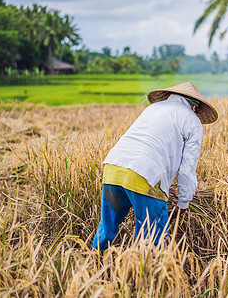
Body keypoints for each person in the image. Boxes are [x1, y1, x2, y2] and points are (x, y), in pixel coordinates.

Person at [92, 82, 218, 250]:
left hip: (113, 168)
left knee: (106, 229)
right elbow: (187, 169)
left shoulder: (152, 109)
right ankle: (149, 274)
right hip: (145, 176)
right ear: (195, 107)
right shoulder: (192, 120)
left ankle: (90, 266)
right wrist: (183, 204)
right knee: (152, 243)